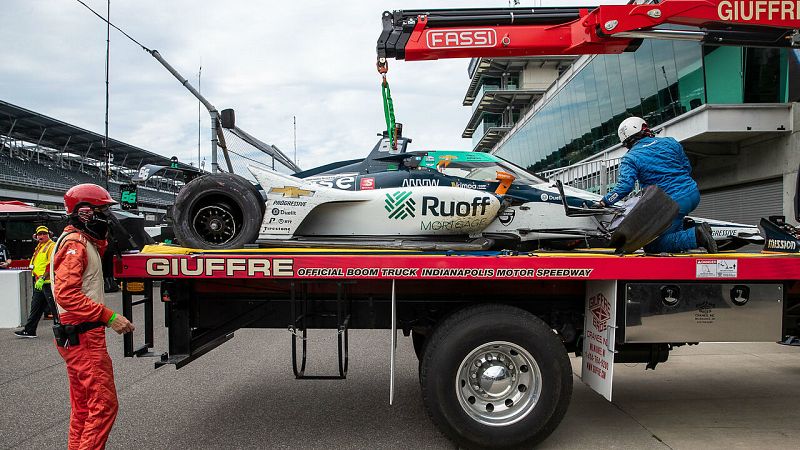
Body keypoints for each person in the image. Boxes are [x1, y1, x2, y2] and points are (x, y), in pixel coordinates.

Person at [51, 183, 135, 450]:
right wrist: (110, 317)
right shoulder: (75, 245)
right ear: (84, 212)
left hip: (76, 335)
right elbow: (67, 294)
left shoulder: (80, 240)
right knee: (103, 405)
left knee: (85, 407)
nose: (106, 218)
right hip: (83, 335)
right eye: (102, 211)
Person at [599, 117, 717, 253]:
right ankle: (685, 231)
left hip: (670, 203)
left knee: (653, 246)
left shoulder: (630, 158)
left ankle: (696, 235)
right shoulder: (670, 142)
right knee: (671, 233)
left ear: (627, 142)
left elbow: (625, 186)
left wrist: (605, 201)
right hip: (692, 193)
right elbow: (686, 167)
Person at [13, 225, 56, 338]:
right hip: (39, 281)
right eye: (39, 234)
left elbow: (51, 264)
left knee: (54, 308)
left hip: (47, 282)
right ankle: (29, 330)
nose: (41, 236)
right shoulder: (40, 246)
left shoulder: (51, 246)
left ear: (48, 234)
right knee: (35, 307)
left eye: (44, 234)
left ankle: (62, 330)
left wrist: (42, 278)